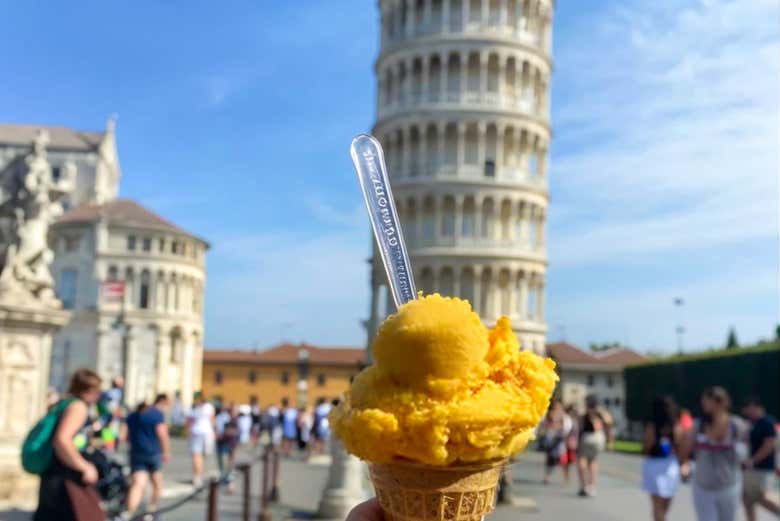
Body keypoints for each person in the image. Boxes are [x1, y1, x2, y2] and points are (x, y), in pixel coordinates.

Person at [34, 369, 104, 521]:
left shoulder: (64, 403)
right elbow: (62, 439)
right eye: (98, 390)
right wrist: (84, 466)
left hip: (53, 474)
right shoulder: (78, 407)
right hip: (66, 476)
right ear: (89, 390)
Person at [680, 386, 748, 521]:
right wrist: (685, 464)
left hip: (730, 486)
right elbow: (684, 452)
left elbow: (745, 454)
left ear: (720, 403)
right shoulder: (698, 425)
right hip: (703, 487)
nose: (703, 405)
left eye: (707, 401)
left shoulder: (737, 425)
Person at [124, 394, 171, 517]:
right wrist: (166, 452)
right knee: (157, 484)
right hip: (153, 452)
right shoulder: (156, 415)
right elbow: (162, 434)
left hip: (136, 452)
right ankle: (151, 510)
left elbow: (125, 436)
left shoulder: (132, 416)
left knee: (138, 484)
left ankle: (129, 513)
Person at [641, 396, 682, 521]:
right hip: (670, 466)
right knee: (666, 503)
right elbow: (680, 447)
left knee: (656, 505)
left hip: (654, 464)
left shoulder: (652, 427)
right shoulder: (676, 427)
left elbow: (646, 448)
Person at [741, 396, 779, 521]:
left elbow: (769, 444)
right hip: (751, 468)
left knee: (760, 496)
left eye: (749, 408)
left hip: (763, 467)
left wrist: (754, 460)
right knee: (747, 498)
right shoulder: (752, 423)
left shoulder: (767, 423)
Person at [577, 394, 607, 497]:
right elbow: (609, 421)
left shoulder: (585, 413)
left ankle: (583, 485)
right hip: (598, 438)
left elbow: (579, 423)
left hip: (586, 437)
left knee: (582, 460)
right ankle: (592, 486)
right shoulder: (600, 413)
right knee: (593, 462)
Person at [188, 392, 216, 487]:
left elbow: (189, 422)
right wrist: (214, 431)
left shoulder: (193, 408)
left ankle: (197, 476)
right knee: (201, 455)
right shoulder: (208, 407)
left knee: (197, 455)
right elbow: (212, 420)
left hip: (197, 432)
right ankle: (198, 475)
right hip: (206, 432)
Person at [541, 399, 566, 485]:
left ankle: (563, 476)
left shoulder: (562, 414)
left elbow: (563, 425)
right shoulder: (550, 413)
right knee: (550, 456)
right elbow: (546, 424)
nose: (558, 407)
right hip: (551, 435)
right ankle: (547, 476)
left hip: (559, 435)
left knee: (559, 457)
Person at [562, 404, 579, 484]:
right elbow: (565, 431)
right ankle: (566, 476)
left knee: (571, 460)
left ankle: (567, 475)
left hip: (574, 442)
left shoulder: (576, 420)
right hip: (566, 441)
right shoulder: (566, 419)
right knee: (565, 460)